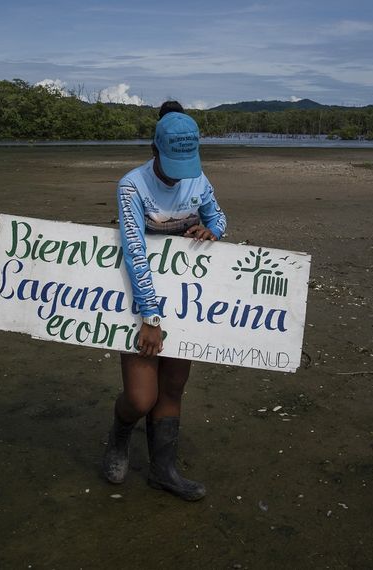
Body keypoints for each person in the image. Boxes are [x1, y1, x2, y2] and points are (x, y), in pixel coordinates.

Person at [102, 101, 227, 501]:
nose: (179, 176)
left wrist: (212, 230)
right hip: (139, 302)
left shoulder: (199, 179)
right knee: (141, 397)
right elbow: (134, 249)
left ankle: (163, 470)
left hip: (183, 299)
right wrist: (150, 317)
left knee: (173, 387)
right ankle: (118, 439)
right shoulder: (131, 186)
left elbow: (219, 218)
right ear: (154, 150)